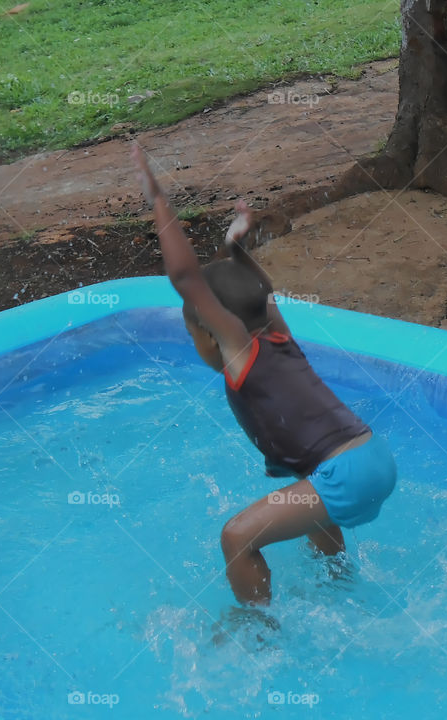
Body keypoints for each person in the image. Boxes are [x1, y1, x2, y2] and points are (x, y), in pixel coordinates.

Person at [131, 143, 397, 605]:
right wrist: (236, 248)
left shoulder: (241, 349)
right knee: (313, 506)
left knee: (236, 537)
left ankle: (256, 635)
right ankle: (340, 588)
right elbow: (261, 292)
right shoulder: (279, 337)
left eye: (194, 331)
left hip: (345, 473)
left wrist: (158, 199)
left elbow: (186, 278)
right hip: (373, 458)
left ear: (211, 334)